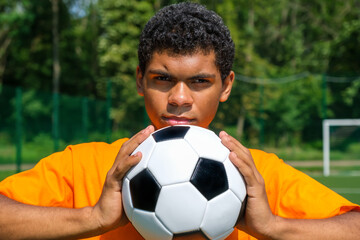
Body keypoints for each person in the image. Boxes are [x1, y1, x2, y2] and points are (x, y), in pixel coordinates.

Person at [0, 2, 359, 240]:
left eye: (200, 82)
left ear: (226, 86)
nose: (180, 99)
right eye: (163, 79)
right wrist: (93, 218)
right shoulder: (86, 166)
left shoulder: (255, 175)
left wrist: (273, 226)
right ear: (140, 80)